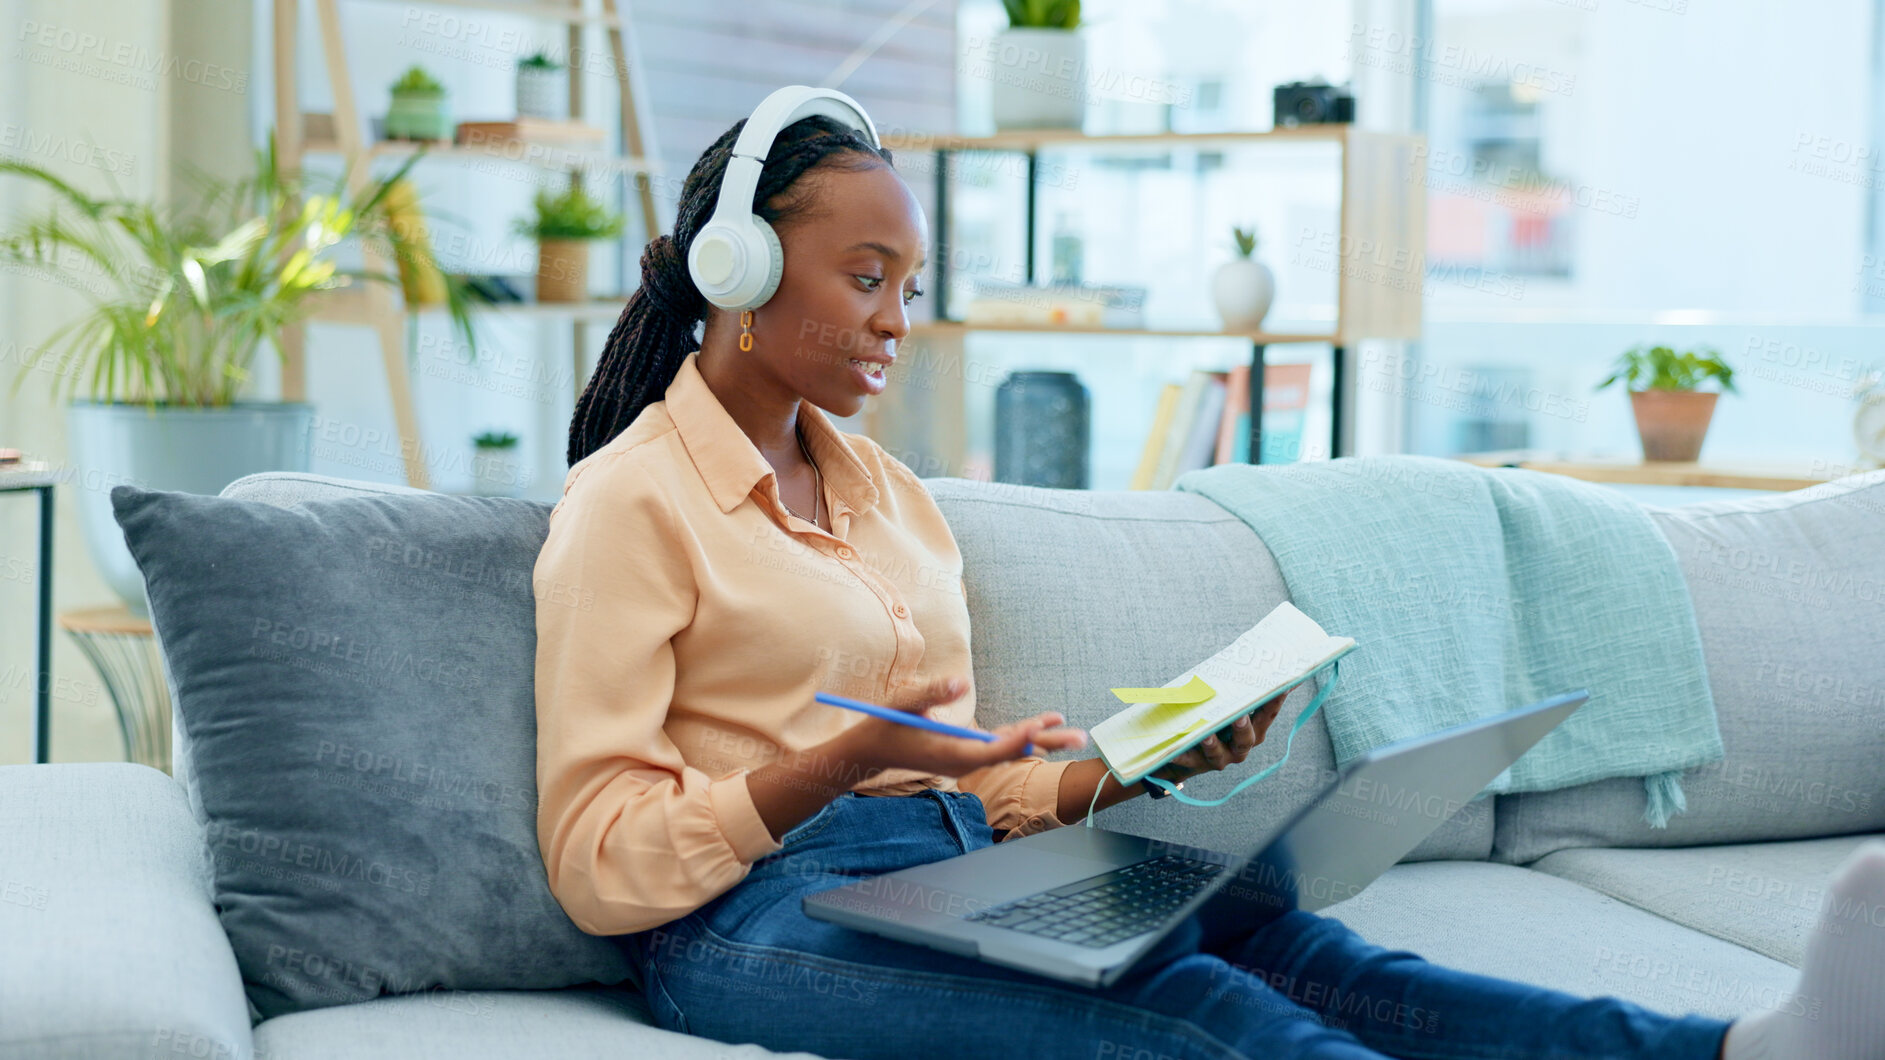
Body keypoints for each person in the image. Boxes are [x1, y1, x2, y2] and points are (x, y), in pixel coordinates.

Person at [531, 110, 1885, 1060]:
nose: (897, 319)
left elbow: (983, 792)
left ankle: (1744, 1050)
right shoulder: (630, 506)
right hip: (750, 922)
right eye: (866, 277)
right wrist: (833, 765)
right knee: (1199, 1017)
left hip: (954, 867)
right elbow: (598, 864)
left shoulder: (893, 500)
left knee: (1318, 962)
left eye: (910, 284)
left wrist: (1133, 766)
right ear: (739, 271)